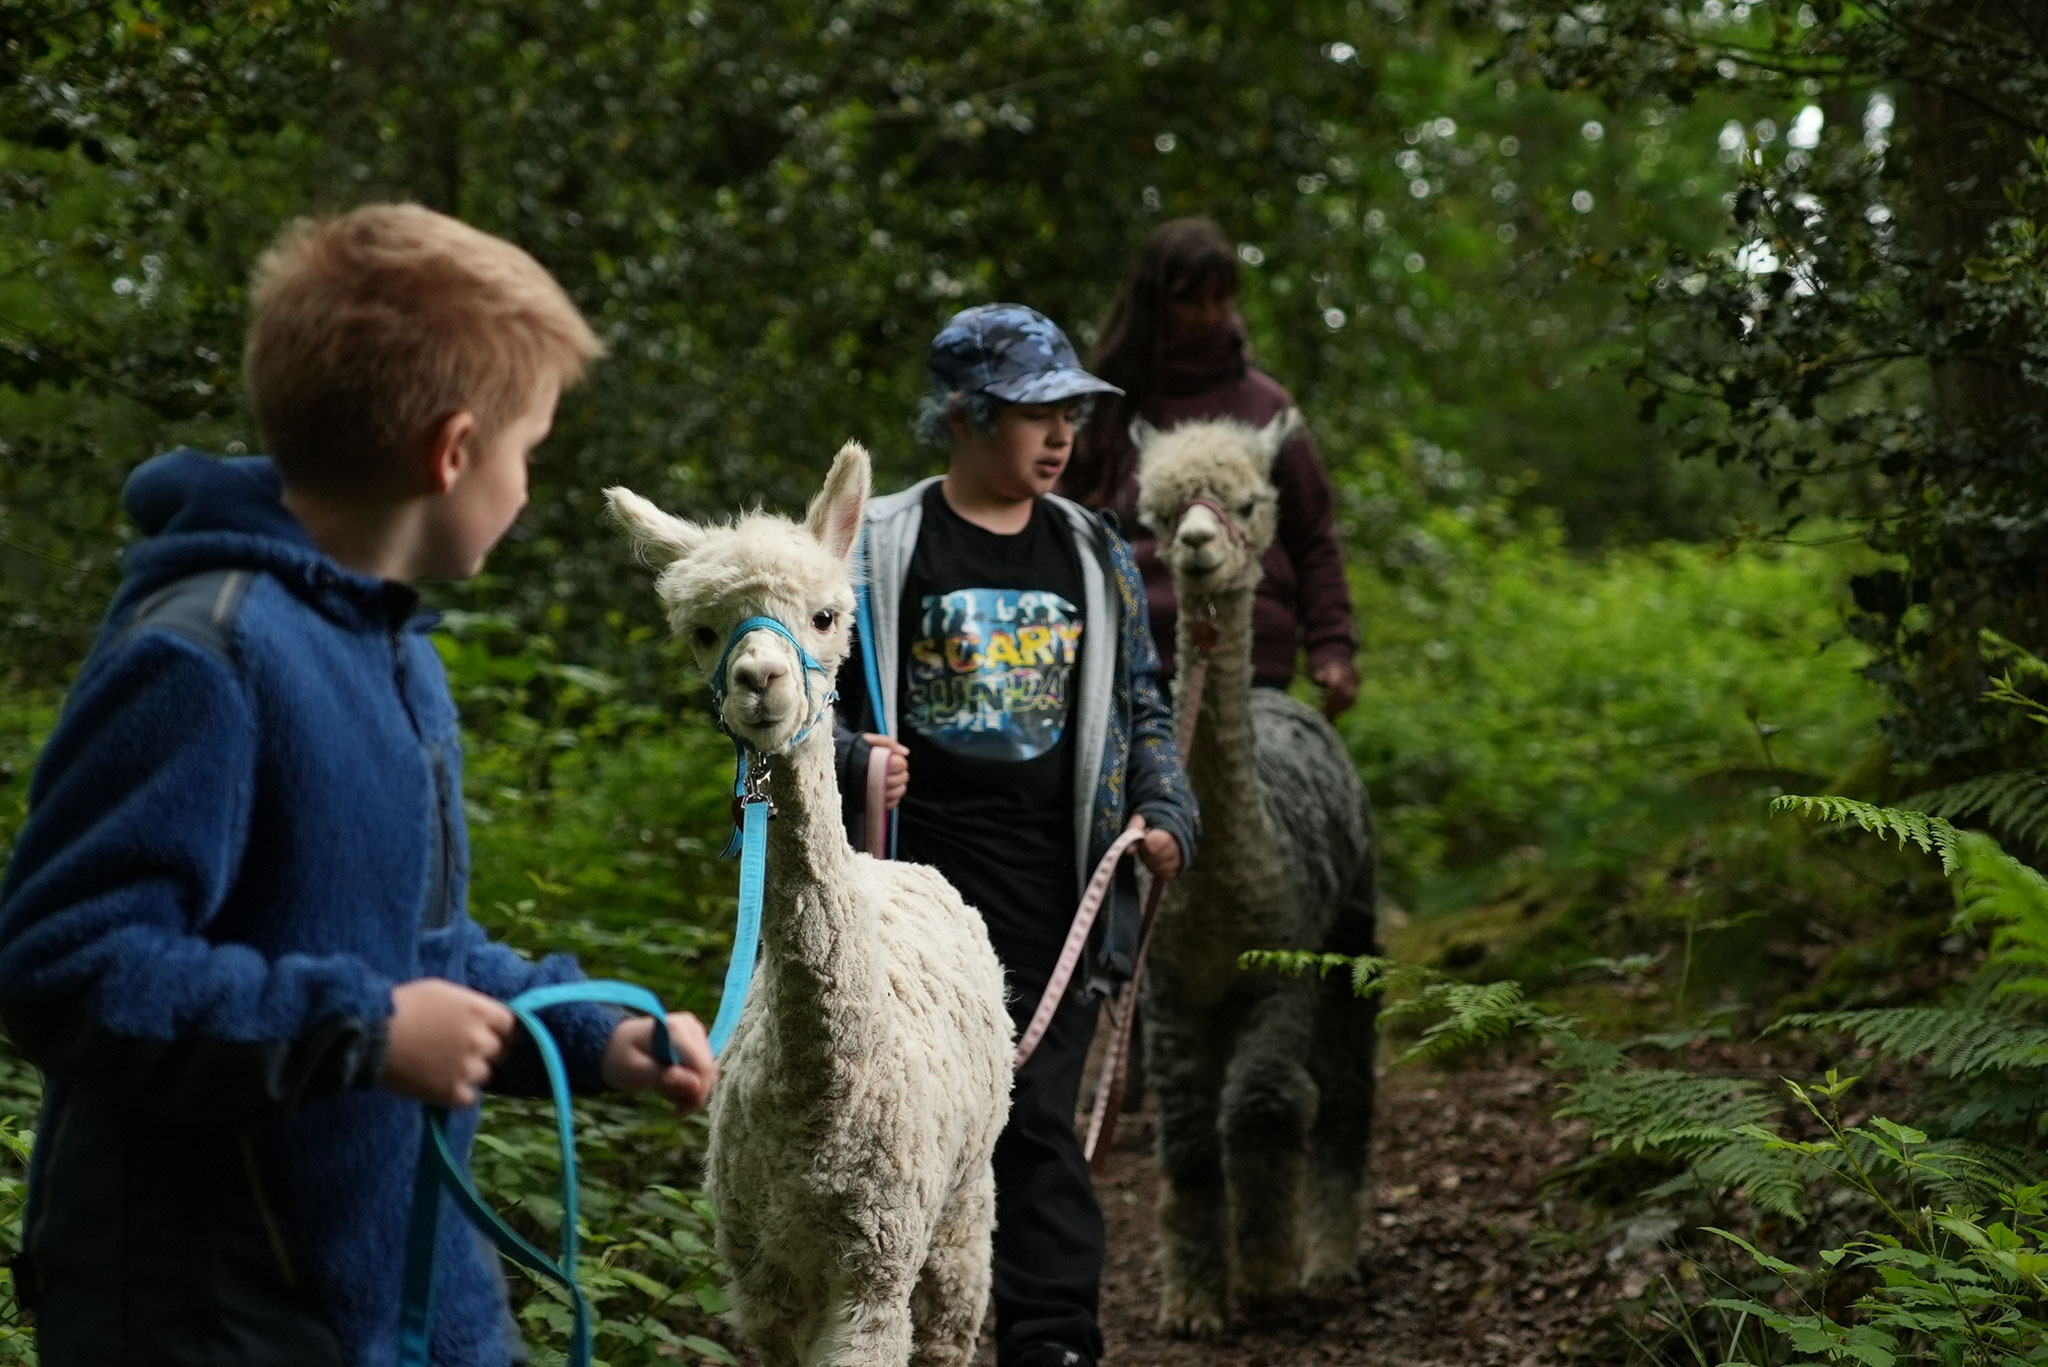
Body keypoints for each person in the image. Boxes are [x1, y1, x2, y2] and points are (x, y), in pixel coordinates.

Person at [0, 204, 718, 1367]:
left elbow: (408, 949)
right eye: (527, 447)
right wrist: (366, 1029)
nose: (528, 485)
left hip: (392, 1284)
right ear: (450, 450)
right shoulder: (203, 656)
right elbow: (66, 962)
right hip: (215, 1312)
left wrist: (590, 1037)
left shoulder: (390, 647)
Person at [834, 303, 1200, 1367]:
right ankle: (888, 1330)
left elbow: (1139, 699)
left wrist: (1165, 808)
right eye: (1035, 414)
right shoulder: (881, 545)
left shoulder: (1091, 553)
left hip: (1055, 891)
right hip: (911, 899)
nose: (1058, 439)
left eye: (1071, 418)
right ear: (963, 416)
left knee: (1036, 1123)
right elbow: (811, 696)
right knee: (907, 1126)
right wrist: (858, 755)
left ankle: (1049, 1339)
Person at [1060, 215, 1361, 718]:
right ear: (1155, 304)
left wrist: (1332, 645)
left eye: (1219, 300)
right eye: (1190, 300)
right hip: (1131, 656)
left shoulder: (1267, 409)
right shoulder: (1107, 413)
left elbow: (1313, 537)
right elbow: (1063, 527)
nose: (1207, 316)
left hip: (1248, 656)